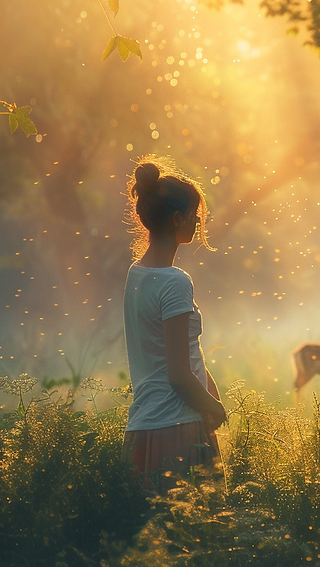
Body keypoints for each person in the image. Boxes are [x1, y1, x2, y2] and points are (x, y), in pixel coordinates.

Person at [121, 155, 227, 490]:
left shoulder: (136, 275)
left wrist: (209, 391)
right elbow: (179, 375)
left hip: (143, 427)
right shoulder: (174, 281)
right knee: (198, 520)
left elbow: (178, 354)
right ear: (178, 218)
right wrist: (216, 409)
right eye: (195, 215)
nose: (197, 222)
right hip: (177, 427)